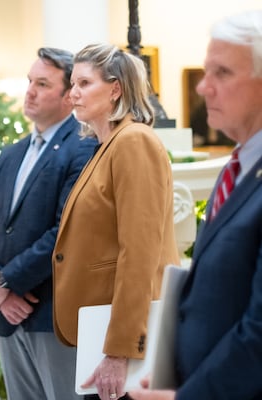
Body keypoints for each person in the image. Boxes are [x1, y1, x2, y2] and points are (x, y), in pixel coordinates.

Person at [129, 10, 262, 400]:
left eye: (222, 73)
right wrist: (170, 373)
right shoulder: (236, 169)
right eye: (206, 72)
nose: (203, 87)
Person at [51, 43, 180, 400]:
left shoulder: (134, 142)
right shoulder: (107, 146)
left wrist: (120, 349)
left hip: (122, 342)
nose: (73, 94)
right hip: (99, 329)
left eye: (84, 83)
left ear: (115, 89)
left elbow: (140, 252)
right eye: (72, 84)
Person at [0, 47, 97, 400]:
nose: (29, 91)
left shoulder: (83, 148)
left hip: (53, 315)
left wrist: (7, 282)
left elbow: (66, 233)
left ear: (68, 94)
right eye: (30, 81)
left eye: (42, 84)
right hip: (8, 315)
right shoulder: (10, 154)